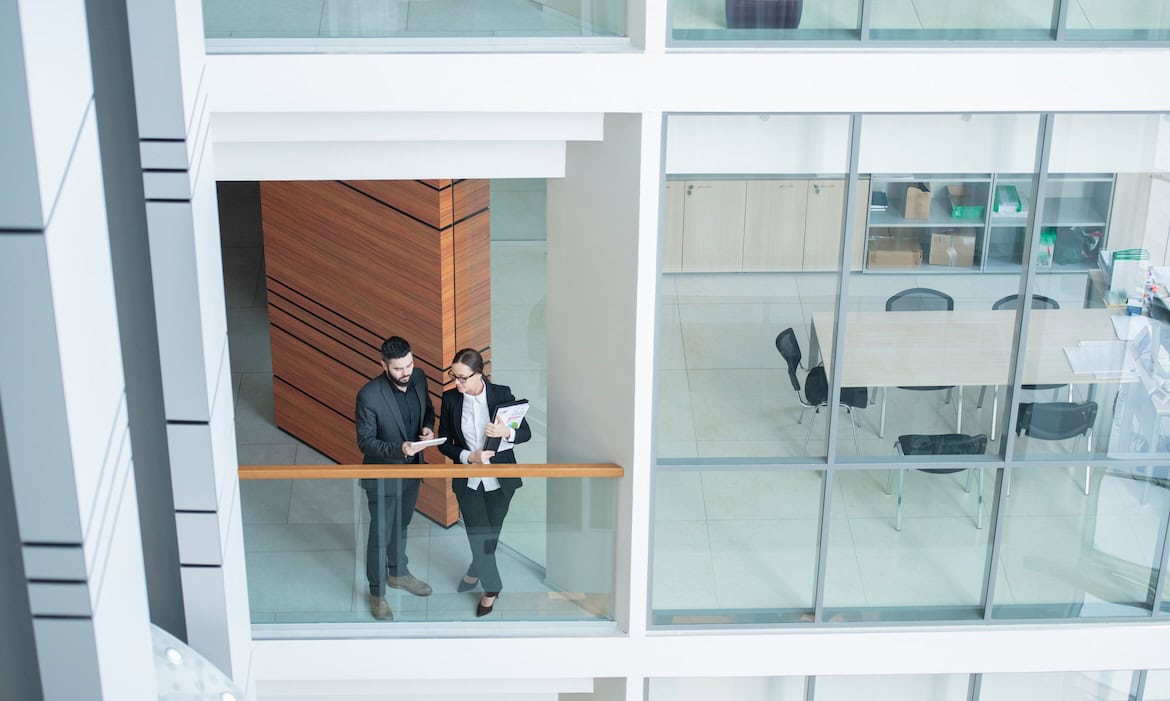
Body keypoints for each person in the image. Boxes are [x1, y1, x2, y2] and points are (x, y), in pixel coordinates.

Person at [438, 348, 531, 617]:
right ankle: (492, 589)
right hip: (469, 480)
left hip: (501, 481)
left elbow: (525, 433)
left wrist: (507, 432)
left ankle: (476, 568)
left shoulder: (502, 394)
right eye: (453, 377)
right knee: (477, 533)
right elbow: (445, 443)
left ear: (479, 374)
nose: (457, 383)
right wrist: (469, 456)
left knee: (490, 532)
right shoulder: (451, 400)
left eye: (463, 378)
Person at [355, 336, 436, 620]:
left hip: (412, 470)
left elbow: (428, 410)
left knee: (401, 523)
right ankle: (377, 593)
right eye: (399, 368)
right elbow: (365, 442)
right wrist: (398, 449)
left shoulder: (419, 377)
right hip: (383, 474)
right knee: (380, 533)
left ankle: (398, 573)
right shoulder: (369, 395)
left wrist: (427, 428)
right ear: (384, 365)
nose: (406, 373)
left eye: (409, 365)